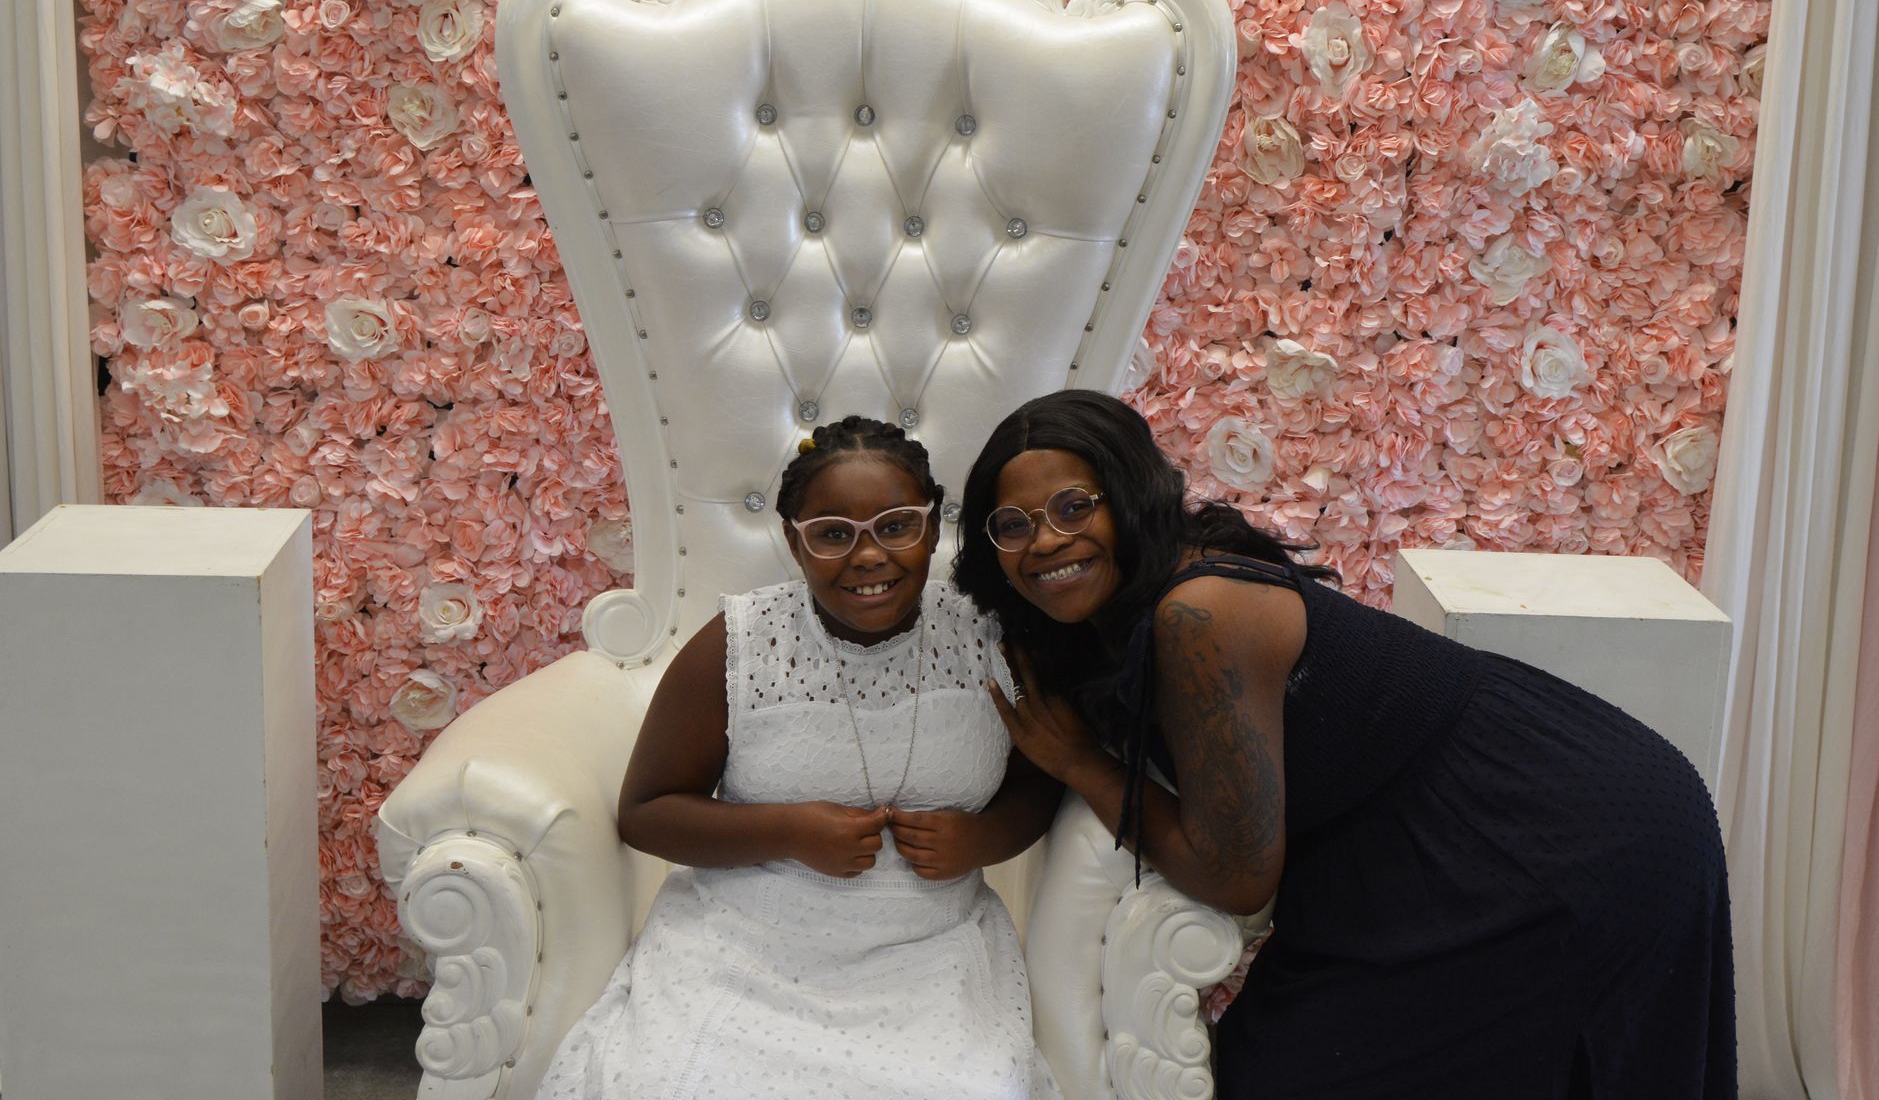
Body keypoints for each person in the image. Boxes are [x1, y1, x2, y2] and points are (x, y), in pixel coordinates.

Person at [953, 389, 1736, 1099]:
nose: (1044, 542)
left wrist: (1082, 764)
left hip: (1551, 827)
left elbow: (1235, 878)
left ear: (1128, 497)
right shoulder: (1109, 614)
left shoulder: (1199, 613)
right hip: (1414, 840)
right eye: (1013, 524)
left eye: (1073, 508)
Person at [537, 416, 1062, 1100]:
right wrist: (788, 830)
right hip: (747, 943)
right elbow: (646, 813)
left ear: (934, 527)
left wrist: (984, 838)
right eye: (833, 534)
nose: (868, 556)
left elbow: (1041, 780)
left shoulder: (990, 639)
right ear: (794, 541)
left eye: (897, 526)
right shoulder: (739, 644)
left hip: (927, 951)